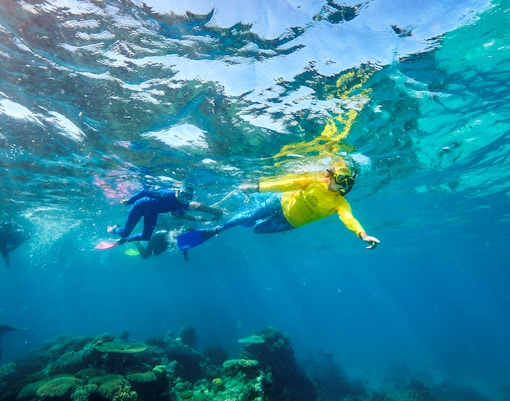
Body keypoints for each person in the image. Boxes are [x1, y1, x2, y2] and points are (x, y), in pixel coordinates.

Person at [189, 160, 380, 250]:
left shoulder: (340, 202)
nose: (343, 186)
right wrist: (256, 187)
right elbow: (284, 184)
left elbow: (349, 219)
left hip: (290, 222)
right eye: (341, 180)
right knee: (248, 217)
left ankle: (253, 213)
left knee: (257, 229)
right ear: (331, 176)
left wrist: (362, 235)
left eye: (348, 184)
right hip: (279, 201)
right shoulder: (312, 180)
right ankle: (217, 229)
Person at [109, 185, 223, 244]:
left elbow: (180, 214)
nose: (184, 198)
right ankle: (115, 229)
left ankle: (127, 240)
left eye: (188, 196)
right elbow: (144, 192)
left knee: (146, 237)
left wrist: (197, 218)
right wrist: (129, 201)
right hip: (139, 207)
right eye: (182, 194)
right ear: (177, 191)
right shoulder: (166, 195)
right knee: (124, 232)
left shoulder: (183, 204)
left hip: (152, 213)